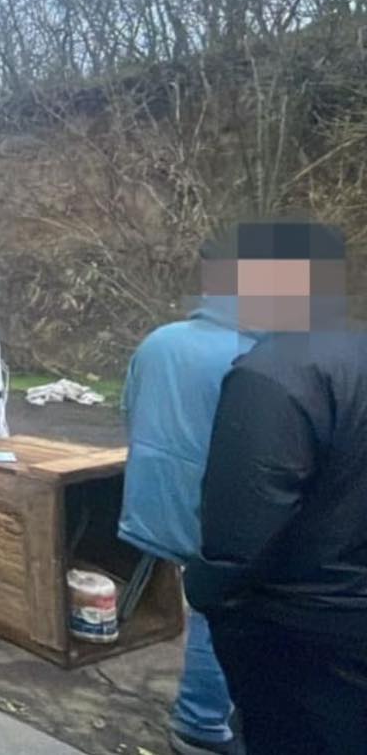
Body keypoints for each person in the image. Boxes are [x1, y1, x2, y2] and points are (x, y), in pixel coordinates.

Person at [186, 222, 366, 755]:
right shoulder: (354, 352)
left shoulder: (272, 374)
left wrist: (205, 591)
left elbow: (243, 523)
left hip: (297, 624)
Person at [119, 228, 259, 755]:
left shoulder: (159, 341)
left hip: (155, 508)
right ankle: (200, 724)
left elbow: (130, 414)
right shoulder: (256, 353)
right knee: (227, 605)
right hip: (215, 517)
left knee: (213, 598)